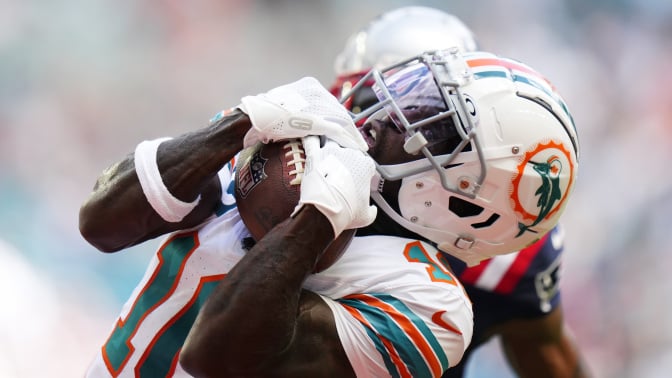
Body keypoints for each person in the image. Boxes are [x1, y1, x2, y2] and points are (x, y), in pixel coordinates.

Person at [80, 44, 577, 378]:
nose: (387, 113)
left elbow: (216, 356)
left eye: (434, 124)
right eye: (414, 94)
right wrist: (241, 122)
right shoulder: (303, 138)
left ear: (469, 202)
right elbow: (100, 224)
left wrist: (319, 216)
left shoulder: (432, 308)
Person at [329, 6, 590, 377]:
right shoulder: (303, 170)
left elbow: (547, 354)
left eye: (416, 110)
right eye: (376, 102)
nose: (372, 126)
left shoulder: (501, 246)